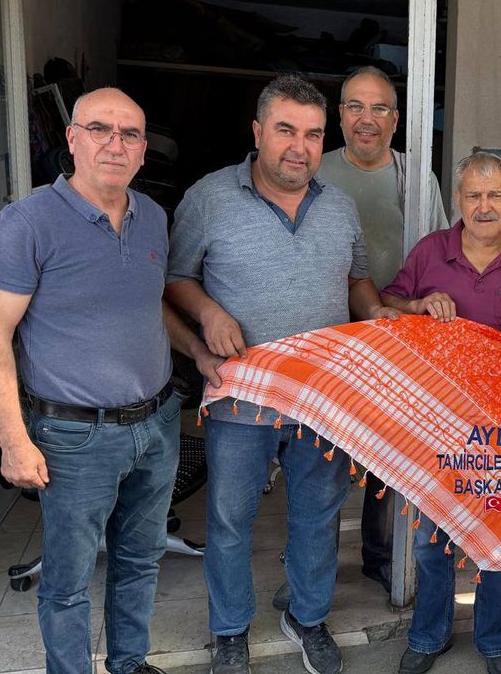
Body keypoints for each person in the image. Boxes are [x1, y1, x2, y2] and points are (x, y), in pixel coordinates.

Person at [0, 88, 221, 674]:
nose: (116, 144)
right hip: (74, 435)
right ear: (72, 138)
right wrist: (13, 440)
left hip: (156, 423)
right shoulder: (27, 223)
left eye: (130, 133)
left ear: (143, 149)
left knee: (140, 559)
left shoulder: (152, 217)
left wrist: (195, 350)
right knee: (68, 581)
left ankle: (129, 663)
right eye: (99, 129)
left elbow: (148, 303)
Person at [165, 75, 400, 674]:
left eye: (313, 135)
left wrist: (378, 314)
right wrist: (209, 313)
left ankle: (308, 617)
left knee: (318, 517)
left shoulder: (339, 206)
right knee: (230, 520)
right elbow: (173, 278)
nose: (300, 147)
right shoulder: (209, 197)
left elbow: (356, 281)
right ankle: (229, 630)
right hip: (240, 395)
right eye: (286, 130)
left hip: (322, 399)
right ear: (257, 132)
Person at [380, 152, 501, 674]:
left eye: (495, 195)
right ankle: (428, 634)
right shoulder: (430, 251)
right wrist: (419, 304)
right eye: (474, 195)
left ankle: (497, 642)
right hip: (437, 419)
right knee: (431, 540)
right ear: (458, 200)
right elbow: (390, 301)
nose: (484, 206)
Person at [317, 65, 447, 592]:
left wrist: (425, 308)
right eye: (355, 106)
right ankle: (311, 565)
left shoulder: (414, 177)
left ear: (396, 119)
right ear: (339, 115)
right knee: (319, 459)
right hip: (329, 335)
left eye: (379, 108)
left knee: (387, 457)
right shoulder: (314, 169)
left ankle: (379, 554)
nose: (366, 119)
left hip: (396, 333)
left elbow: (438, 251)